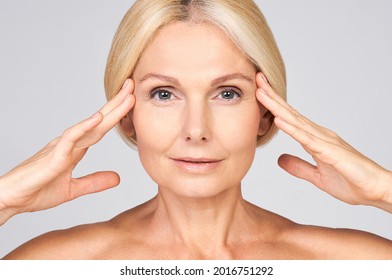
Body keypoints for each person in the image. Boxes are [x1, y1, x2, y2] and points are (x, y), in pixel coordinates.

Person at [1, 0, 392, 259]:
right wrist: (6, 201)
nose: (196, 129)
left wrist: (382, 190)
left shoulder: (352, 262)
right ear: (125, 114)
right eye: (164, 93)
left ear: (267, 113)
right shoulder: (53, 264)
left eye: (226, 93)